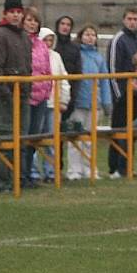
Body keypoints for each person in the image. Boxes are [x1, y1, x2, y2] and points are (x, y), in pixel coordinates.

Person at [0, 0, 32, 194]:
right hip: (5, 98)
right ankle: (1, 182)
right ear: (5, 13)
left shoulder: (24, 37)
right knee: (5, 139)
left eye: (18, 12)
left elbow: (27, 68)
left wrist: (26, 91)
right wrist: (6, 93)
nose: (16, 15)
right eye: (12, 11)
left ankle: (18, 179)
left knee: (21, 140)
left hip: (22, 96)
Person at [106, 7, 137, 179]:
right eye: (129, 18)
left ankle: (127, 165)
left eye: (135, 19)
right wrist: (118, 95)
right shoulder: (118, 40)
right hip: (122, 95)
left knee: (132, 132)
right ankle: (115, 168)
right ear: (124, 20)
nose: (132, 22)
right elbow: (113, 70)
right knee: (118, 131)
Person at [67, 23, 111, 181]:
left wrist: (107, 102)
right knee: (74, 138)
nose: (90, 38)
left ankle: (89, 168)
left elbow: (105, 81)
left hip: (94, 104)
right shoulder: (76, 54)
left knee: (90, 139)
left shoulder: (99, 58)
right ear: (80, 37)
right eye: (87, 34)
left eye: (93, 35)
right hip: (78, 102)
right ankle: (74, 170)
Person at [22, 6, 52, 190]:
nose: (32, 24)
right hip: (27, 97)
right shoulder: (21, 42)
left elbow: (47, 69)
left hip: (41, 97)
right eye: (29, 20)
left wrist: (48, 89)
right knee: (24, 138)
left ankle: (30, 175)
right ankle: (23, 175)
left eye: (35, 20)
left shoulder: (41, 44)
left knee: (34, 138)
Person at [35, 27, 70, 183]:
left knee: (52, 140)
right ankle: (33, 172)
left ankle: (51, 172)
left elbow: (63, 79)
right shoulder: (34, 55)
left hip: (53, 104)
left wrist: (63, 100)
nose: (48, 43)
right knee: (35, 139)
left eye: (51, 40)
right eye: (45, 40)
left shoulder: (56, 57)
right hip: (38, 102)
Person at [53, 15, 82, 174]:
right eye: (62, 24)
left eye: (68, 24)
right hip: (51, 98)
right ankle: (53, 168)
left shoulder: (74, 48)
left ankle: (64, 168)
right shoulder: (52, 47)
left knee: (66, 133)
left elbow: (78, 74)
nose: (65, 27)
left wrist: (72, 97)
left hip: (68, 98)